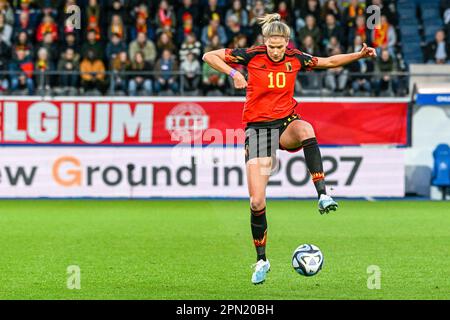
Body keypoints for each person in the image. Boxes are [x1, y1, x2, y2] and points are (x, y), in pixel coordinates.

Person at [202, 13, 376, 285]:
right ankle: (261, 260)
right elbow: (209, 56)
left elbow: (328, 62)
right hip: (258, 130)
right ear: (265, 42)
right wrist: (234, 73)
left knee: (306, 129)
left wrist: (360, 55)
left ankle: (322, 195)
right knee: (256, 202)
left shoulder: (295, 58)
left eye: (279, 47)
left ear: (286, 43)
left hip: (285, 123)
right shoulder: (251, 55)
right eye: (271, 46)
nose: (274, 51)